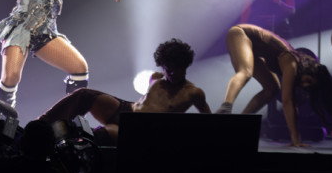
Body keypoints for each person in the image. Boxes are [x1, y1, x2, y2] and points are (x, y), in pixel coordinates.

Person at [38, 38, 211, 143]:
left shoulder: (193, 93)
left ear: (185, 66)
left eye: (175, 69)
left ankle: (58, 143)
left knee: (97, 136)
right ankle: (39, 127)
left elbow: (209, 121)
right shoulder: (157, 78)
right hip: (125, 110)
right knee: (84, 95)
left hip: (140, 131)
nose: (171, 73)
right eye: (168, 68)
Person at [215, 24, 332, 148]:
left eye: (309, 86)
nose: (305, 84)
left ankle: (241, 120)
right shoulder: (292, 62)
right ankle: (225, 108)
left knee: (272, 88)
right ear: (308, 70)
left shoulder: (296, 68)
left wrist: (296, 138)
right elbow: (287, 101)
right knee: (245, 72)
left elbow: (292, 103)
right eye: (308, 80)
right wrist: (295, 138)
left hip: (255, 49)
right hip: (241, 34)